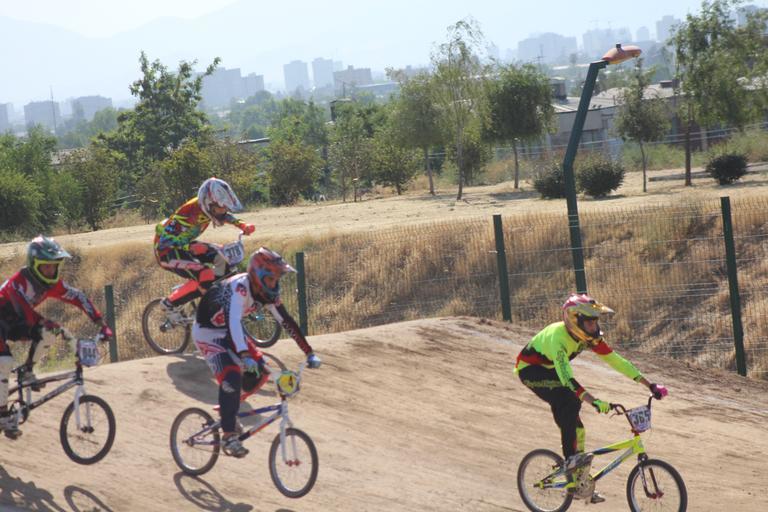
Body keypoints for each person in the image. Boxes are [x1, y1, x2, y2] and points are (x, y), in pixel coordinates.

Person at [515, 293, 668, 504]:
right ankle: (571, 461)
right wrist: (594, 401)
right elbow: (567, 379)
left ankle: (580, 484)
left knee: (578, 429)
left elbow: (616, 361)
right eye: (589, 322)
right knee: (570, 400)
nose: (594, 327)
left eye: (595, 322)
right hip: (531, 371)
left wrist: (649, 384)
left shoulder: (588, 338)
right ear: (574, 320)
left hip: (551, 370)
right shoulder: (558, 339)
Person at [193, 246, 322, 458]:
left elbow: (286, 321)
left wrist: (309, 352)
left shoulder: (265, 293)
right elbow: (234, 321)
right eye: (271, 279)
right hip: (208, 332)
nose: (274, 284)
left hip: (229, 332)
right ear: (258, 275)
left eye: (277, 279)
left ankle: (228, 409)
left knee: (263, 372)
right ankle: (229, 435)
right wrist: (244, 355)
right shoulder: (239, 288)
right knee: (231, 375)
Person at [0, 235, 113, 439]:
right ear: (34, 264)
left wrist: (101, 324)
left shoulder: (51, 285)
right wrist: (45, 322)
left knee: (49, 332)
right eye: (46, 267)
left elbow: (78, 297)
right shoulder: (18, 282)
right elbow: (26, 314)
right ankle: (2, 415)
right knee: (4, 362)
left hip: (14, 324)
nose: (50, 271)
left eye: (54, 266)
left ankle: (27, 370)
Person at [153, 177, 255, 312]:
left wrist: (242, 225)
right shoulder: (188, 212)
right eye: (220, 209)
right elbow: (165, 241)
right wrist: (189, 247)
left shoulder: (208, 207)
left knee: (222, 257)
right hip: (166, 252)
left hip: (184, 245)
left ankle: (217, 294)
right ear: (208, 204)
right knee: (204, 273)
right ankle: (170, 303)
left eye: (225, 208)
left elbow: (225, 216)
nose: (223, 212)